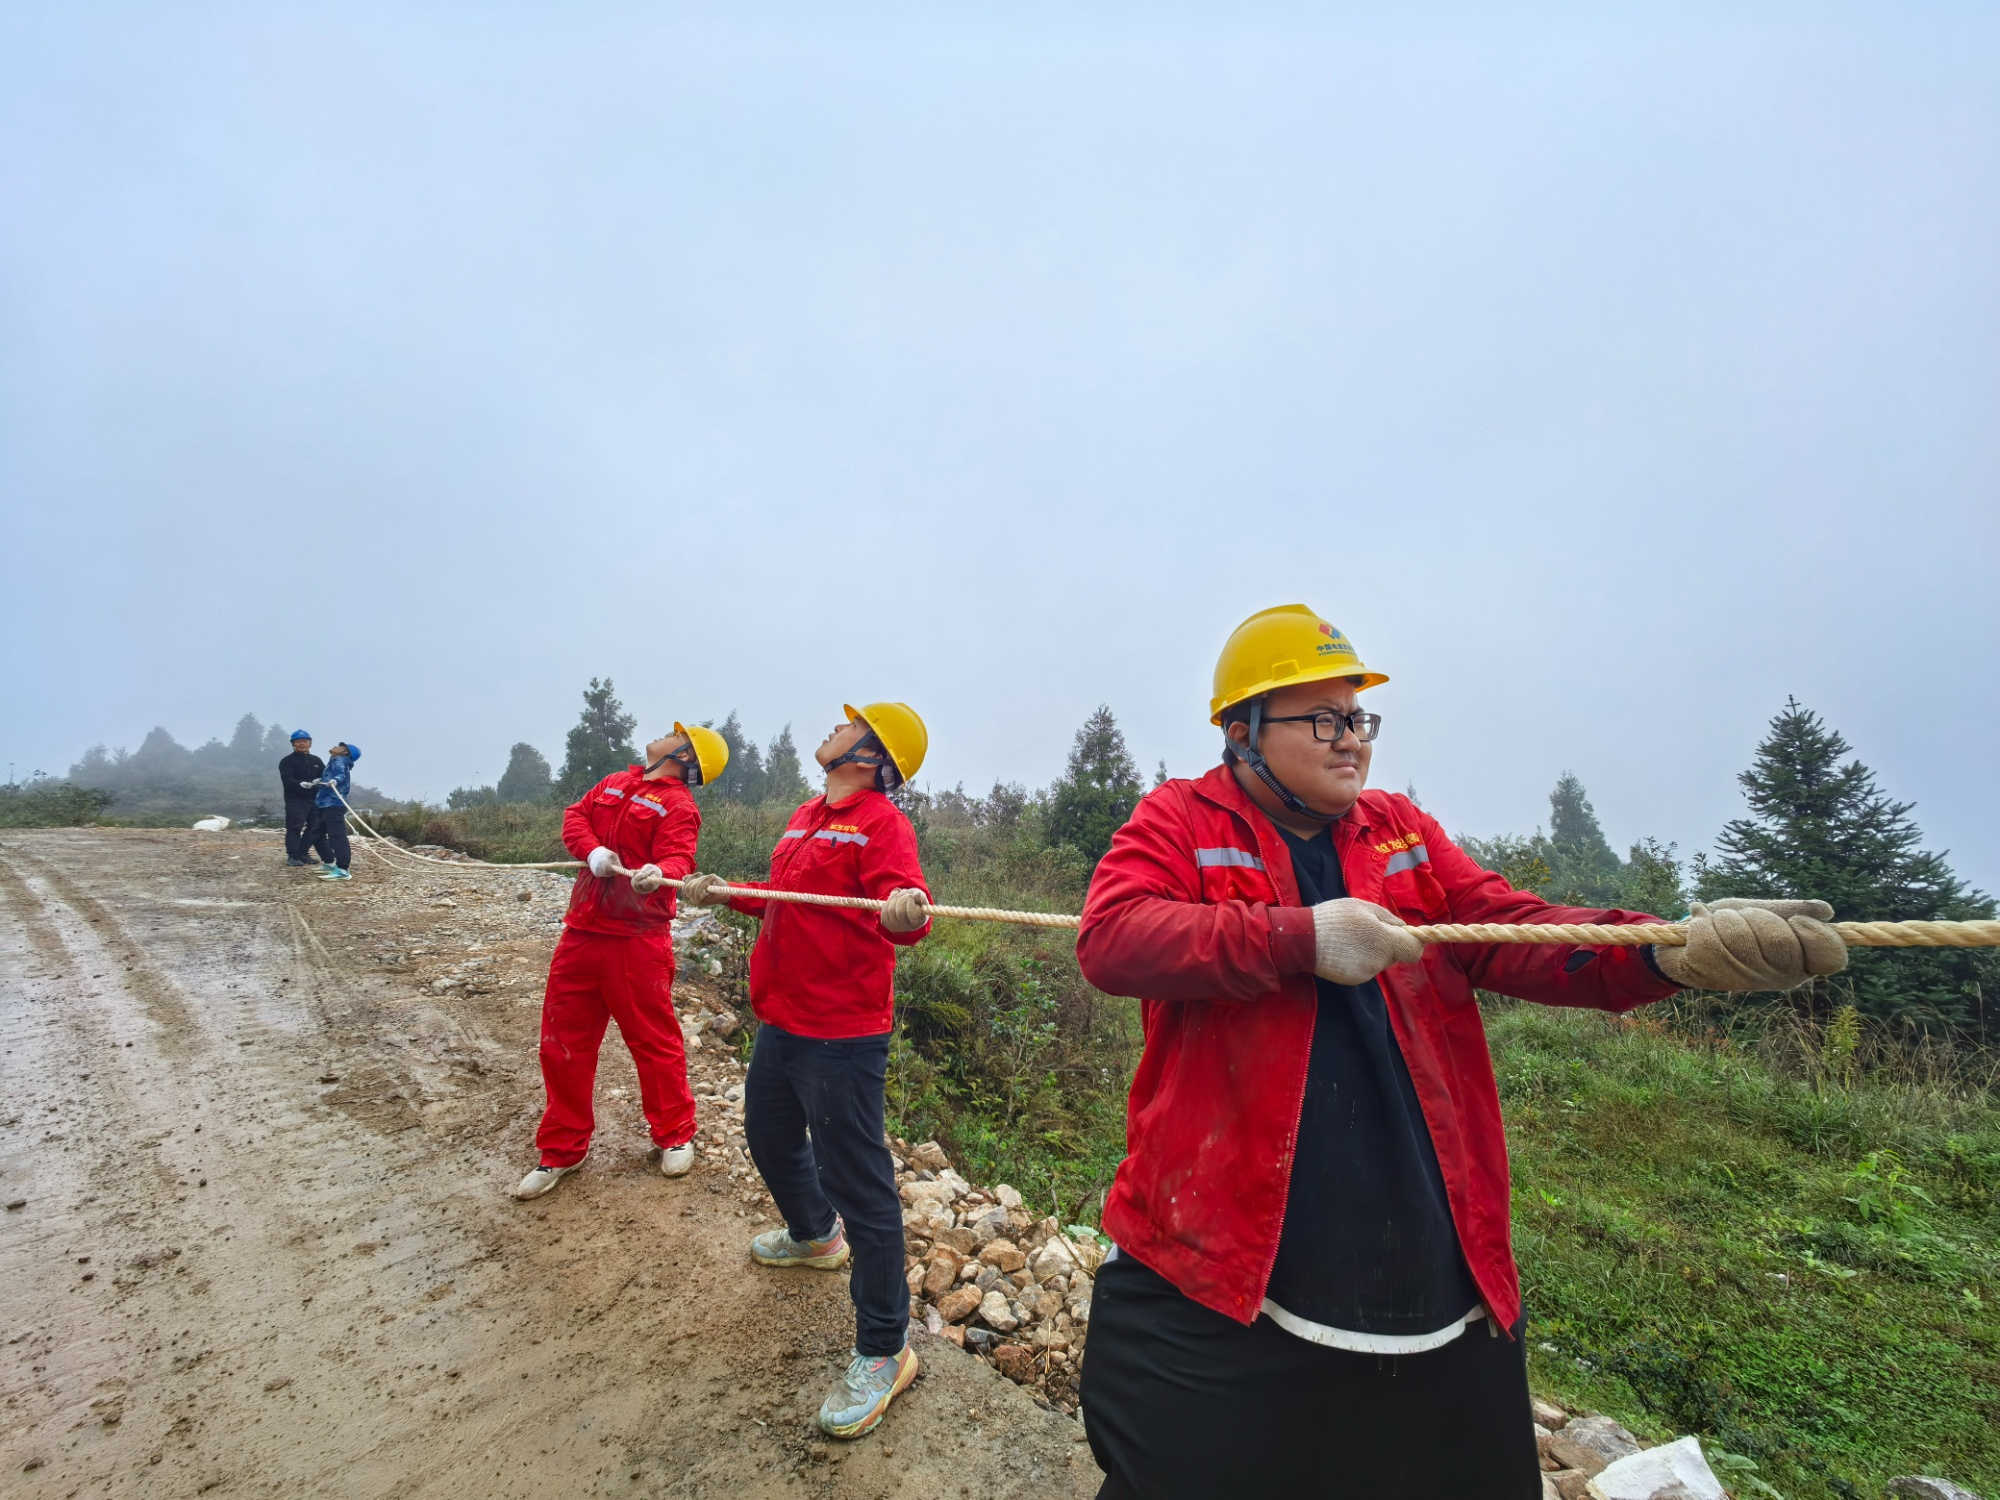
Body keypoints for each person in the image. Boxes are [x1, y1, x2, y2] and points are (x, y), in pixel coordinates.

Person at [1072, 604, 1849, 1499]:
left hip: (1424, 1247)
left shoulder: (1397, 831)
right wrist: (1298, 938)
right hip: (1233, 1246)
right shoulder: (1182, 817)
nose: (1351, 741)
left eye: (1359, 718)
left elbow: (1509, 928)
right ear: (1242, 732)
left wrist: (1662, 950)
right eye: (1322, 718)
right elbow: (1115, 939)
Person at [678, 702, 933, 1441]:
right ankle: (814, 1236)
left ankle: (887, 1349)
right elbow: (791, 901)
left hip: (842, 1034)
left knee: (864, 1185)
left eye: (848, 723)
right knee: (767, 1133)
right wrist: (726, 892)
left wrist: (905, 912)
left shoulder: (883, 823)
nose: (832, 725)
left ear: (873, 754)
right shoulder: (807, 813)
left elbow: (906, 910)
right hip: (783, 1019)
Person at [513, 723, 731, 1202]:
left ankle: (674, 1134)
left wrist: (660, 873)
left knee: (653, 1042)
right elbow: (576, 817)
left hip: (637, 942)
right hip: (581, 935)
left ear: (686, 756)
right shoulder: (613, 782)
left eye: (674, 733)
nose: (659, 733)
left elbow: (679, 858)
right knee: (561, 1044)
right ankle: (562, 1149)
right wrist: (591, 850)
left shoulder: (678, 804)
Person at [309, 742, 363, 882]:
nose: (335, 746)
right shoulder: (334, 761)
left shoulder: (339, 760)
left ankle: (343, 870)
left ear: (345, 752)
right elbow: (332, 777)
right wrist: (319, 781)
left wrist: (335, 780)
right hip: (325, 804)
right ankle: (329, 863)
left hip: (334, 804)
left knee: (337, 836)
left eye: (340, 746)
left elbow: (340, 775)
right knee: (316, 833)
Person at [278, 731, 329, 867]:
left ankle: (303, 853)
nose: (302, 743)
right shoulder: (287, 761)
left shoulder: (316, 760)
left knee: (314, 827)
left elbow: (325, 776)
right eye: (298, 741)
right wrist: (299, 784)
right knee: (294, 827)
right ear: (293, 744)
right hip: (295, 800)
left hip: (314, 799)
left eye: (305, 741)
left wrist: (323, 781)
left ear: (310, 743)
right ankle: (293, 856)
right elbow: (287, 780)